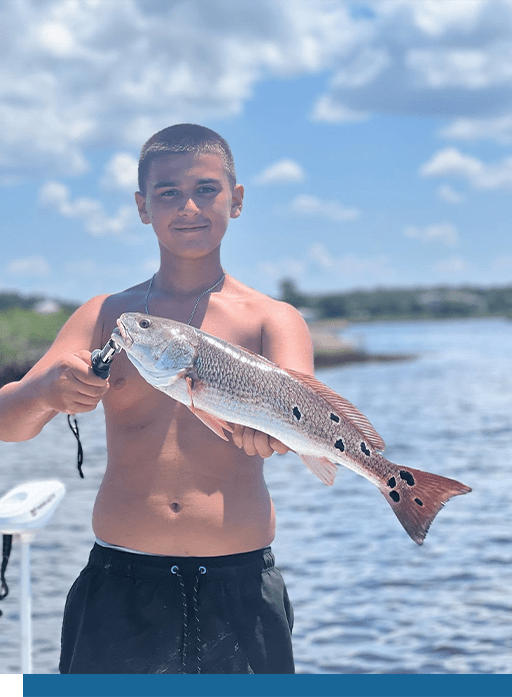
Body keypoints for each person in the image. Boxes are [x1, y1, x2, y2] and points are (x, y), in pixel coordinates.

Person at [0, 124, 314, 674]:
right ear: (143, 207)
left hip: (239, 587)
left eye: (207, 188)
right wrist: (44, 391)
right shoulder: (105, 316)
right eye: (168, 192)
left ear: (236, 200)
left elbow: (300, 417)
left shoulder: (273, 318)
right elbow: (11, 424)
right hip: (120, 586)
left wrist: (275, 437)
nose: (188, 205)